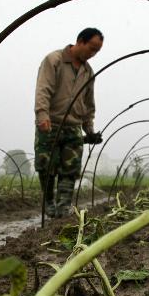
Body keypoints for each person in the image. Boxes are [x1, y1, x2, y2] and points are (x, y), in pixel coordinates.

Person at [34, 27, 104, 217]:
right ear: (80, 41)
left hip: (73, 127)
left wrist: (89, 130)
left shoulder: (88, 72)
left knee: (70, 171)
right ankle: (48, 203)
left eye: (97, 51)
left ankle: (63, 209)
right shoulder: (54, 60)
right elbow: (43, 89)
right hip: (51, 124)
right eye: (91, 48)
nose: (93, 54)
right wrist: (42, 115)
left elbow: (89, 104)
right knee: (46, 166)